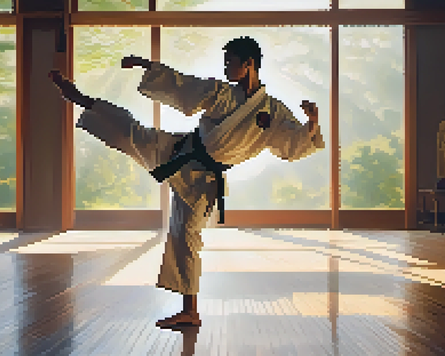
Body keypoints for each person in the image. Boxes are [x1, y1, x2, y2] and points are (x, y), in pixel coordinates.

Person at [49, 36, 325, 327]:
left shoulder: (273, 111)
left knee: (185, 236)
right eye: (225, 61)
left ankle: (190, 311)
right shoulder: (222, 93)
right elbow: (184, 85)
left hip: (203, 180)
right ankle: (80, 98)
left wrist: (312, 124)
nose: (226, 67)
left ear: (249, 64)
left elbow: (294, 142)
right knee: (132, 133)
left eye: (231, 61)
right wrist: (145, 64)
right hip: (180, 150)